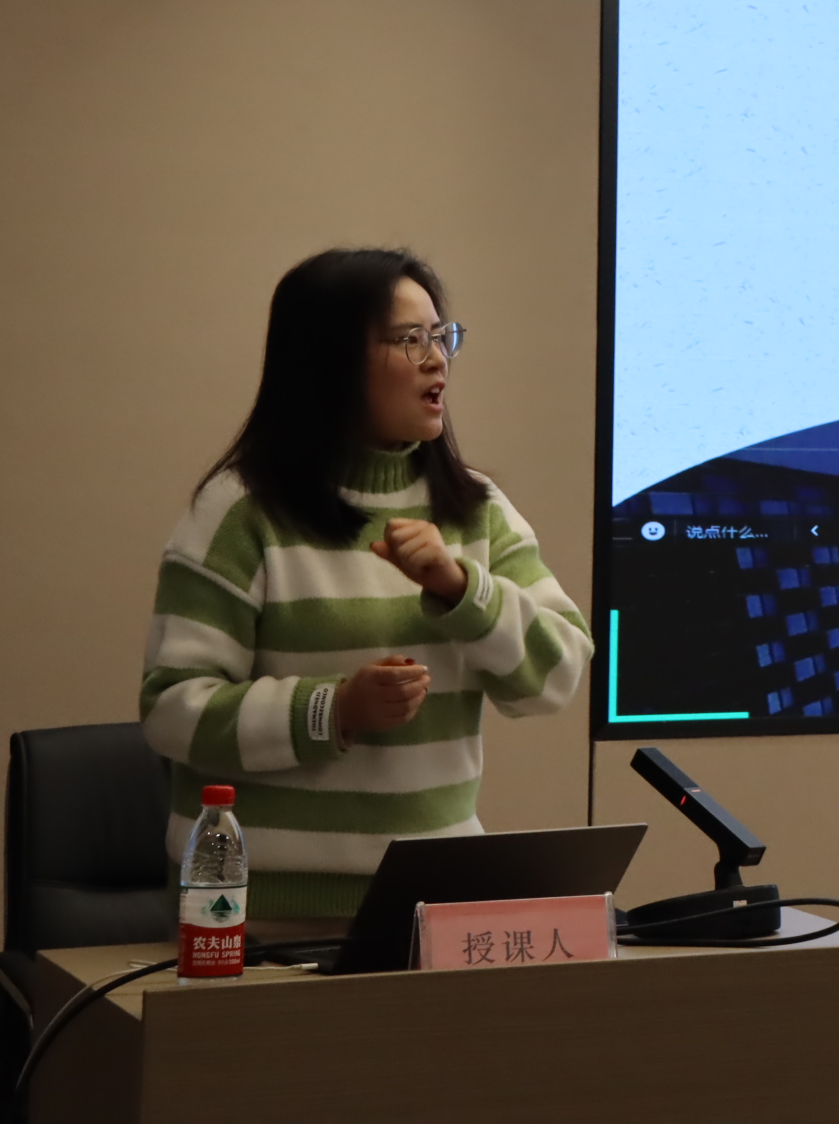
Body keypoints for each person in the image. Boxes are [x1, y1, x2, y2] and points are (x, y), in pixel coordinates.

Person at [139, 248, 592, 924]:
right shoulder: (242, 512)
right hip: (258, 917)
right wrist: (335, 709)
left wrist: (462, 590)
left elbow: (557, 676)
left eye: (441, 336)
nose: (437, 360)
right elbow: (173, 709)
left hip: (432, 908)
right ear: (331, 363)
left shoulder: (476, 510)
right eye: (410, 340)